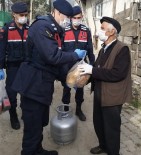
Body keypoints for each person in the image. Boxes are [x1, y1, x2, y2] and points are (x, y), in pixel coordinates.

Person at [11, 0, 86, 155]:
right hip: (33, 86)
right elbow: (52, 56)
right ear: (56, 12)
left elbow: (53, 63)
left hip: (42, 85)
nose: (67, 21)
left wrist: (69, 77)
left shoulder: (55, 30)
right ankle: (30, 151)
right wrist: (74, 55)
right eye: (65, 17)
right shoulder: (41, 27)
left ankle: (38, 150)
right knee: (32, 128)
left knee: (40, 123)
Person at [78, 17, 132, 155]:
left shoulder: (122, 49)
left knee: (111, 128)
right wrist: (84, 79)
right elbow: (97, 70)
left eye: (102, 28)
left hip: (112, 97)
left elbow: (117, 74)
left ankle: (113, 152)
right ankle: (103, 146)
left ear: (112, 31)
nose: (99, 31)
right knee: (99, 123)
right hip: (99, 93)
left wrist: (92, 70)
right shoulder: (103, 49)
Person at [61, 6, 95, 121]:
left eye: (79, 17)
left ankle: (78, 109)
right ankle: (65, 110)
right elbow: (60, 49)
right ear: (70, 18)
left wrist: (92, 64)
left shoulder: (86, 31)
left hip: (81, 66)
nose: (77, 19)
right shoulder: (64, 31)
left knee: (80, 88)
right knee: (66, 88)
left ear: (82, 17)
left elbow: (90, 49)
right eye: (74, 17)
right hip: (67, 65)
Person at [0, 2, 29, 130]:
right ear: (14, 15)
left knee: (25, 92)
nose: (24, 17)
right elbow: (1, 49)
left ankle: (24, 112)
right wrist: (0, 67)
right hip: (12, 67)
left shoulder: (29, 29)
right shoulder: (6, 29)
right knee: (12, 93)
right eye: (21, 15)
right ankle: (13, 115)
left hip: (26, 66)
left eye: (25, 15)